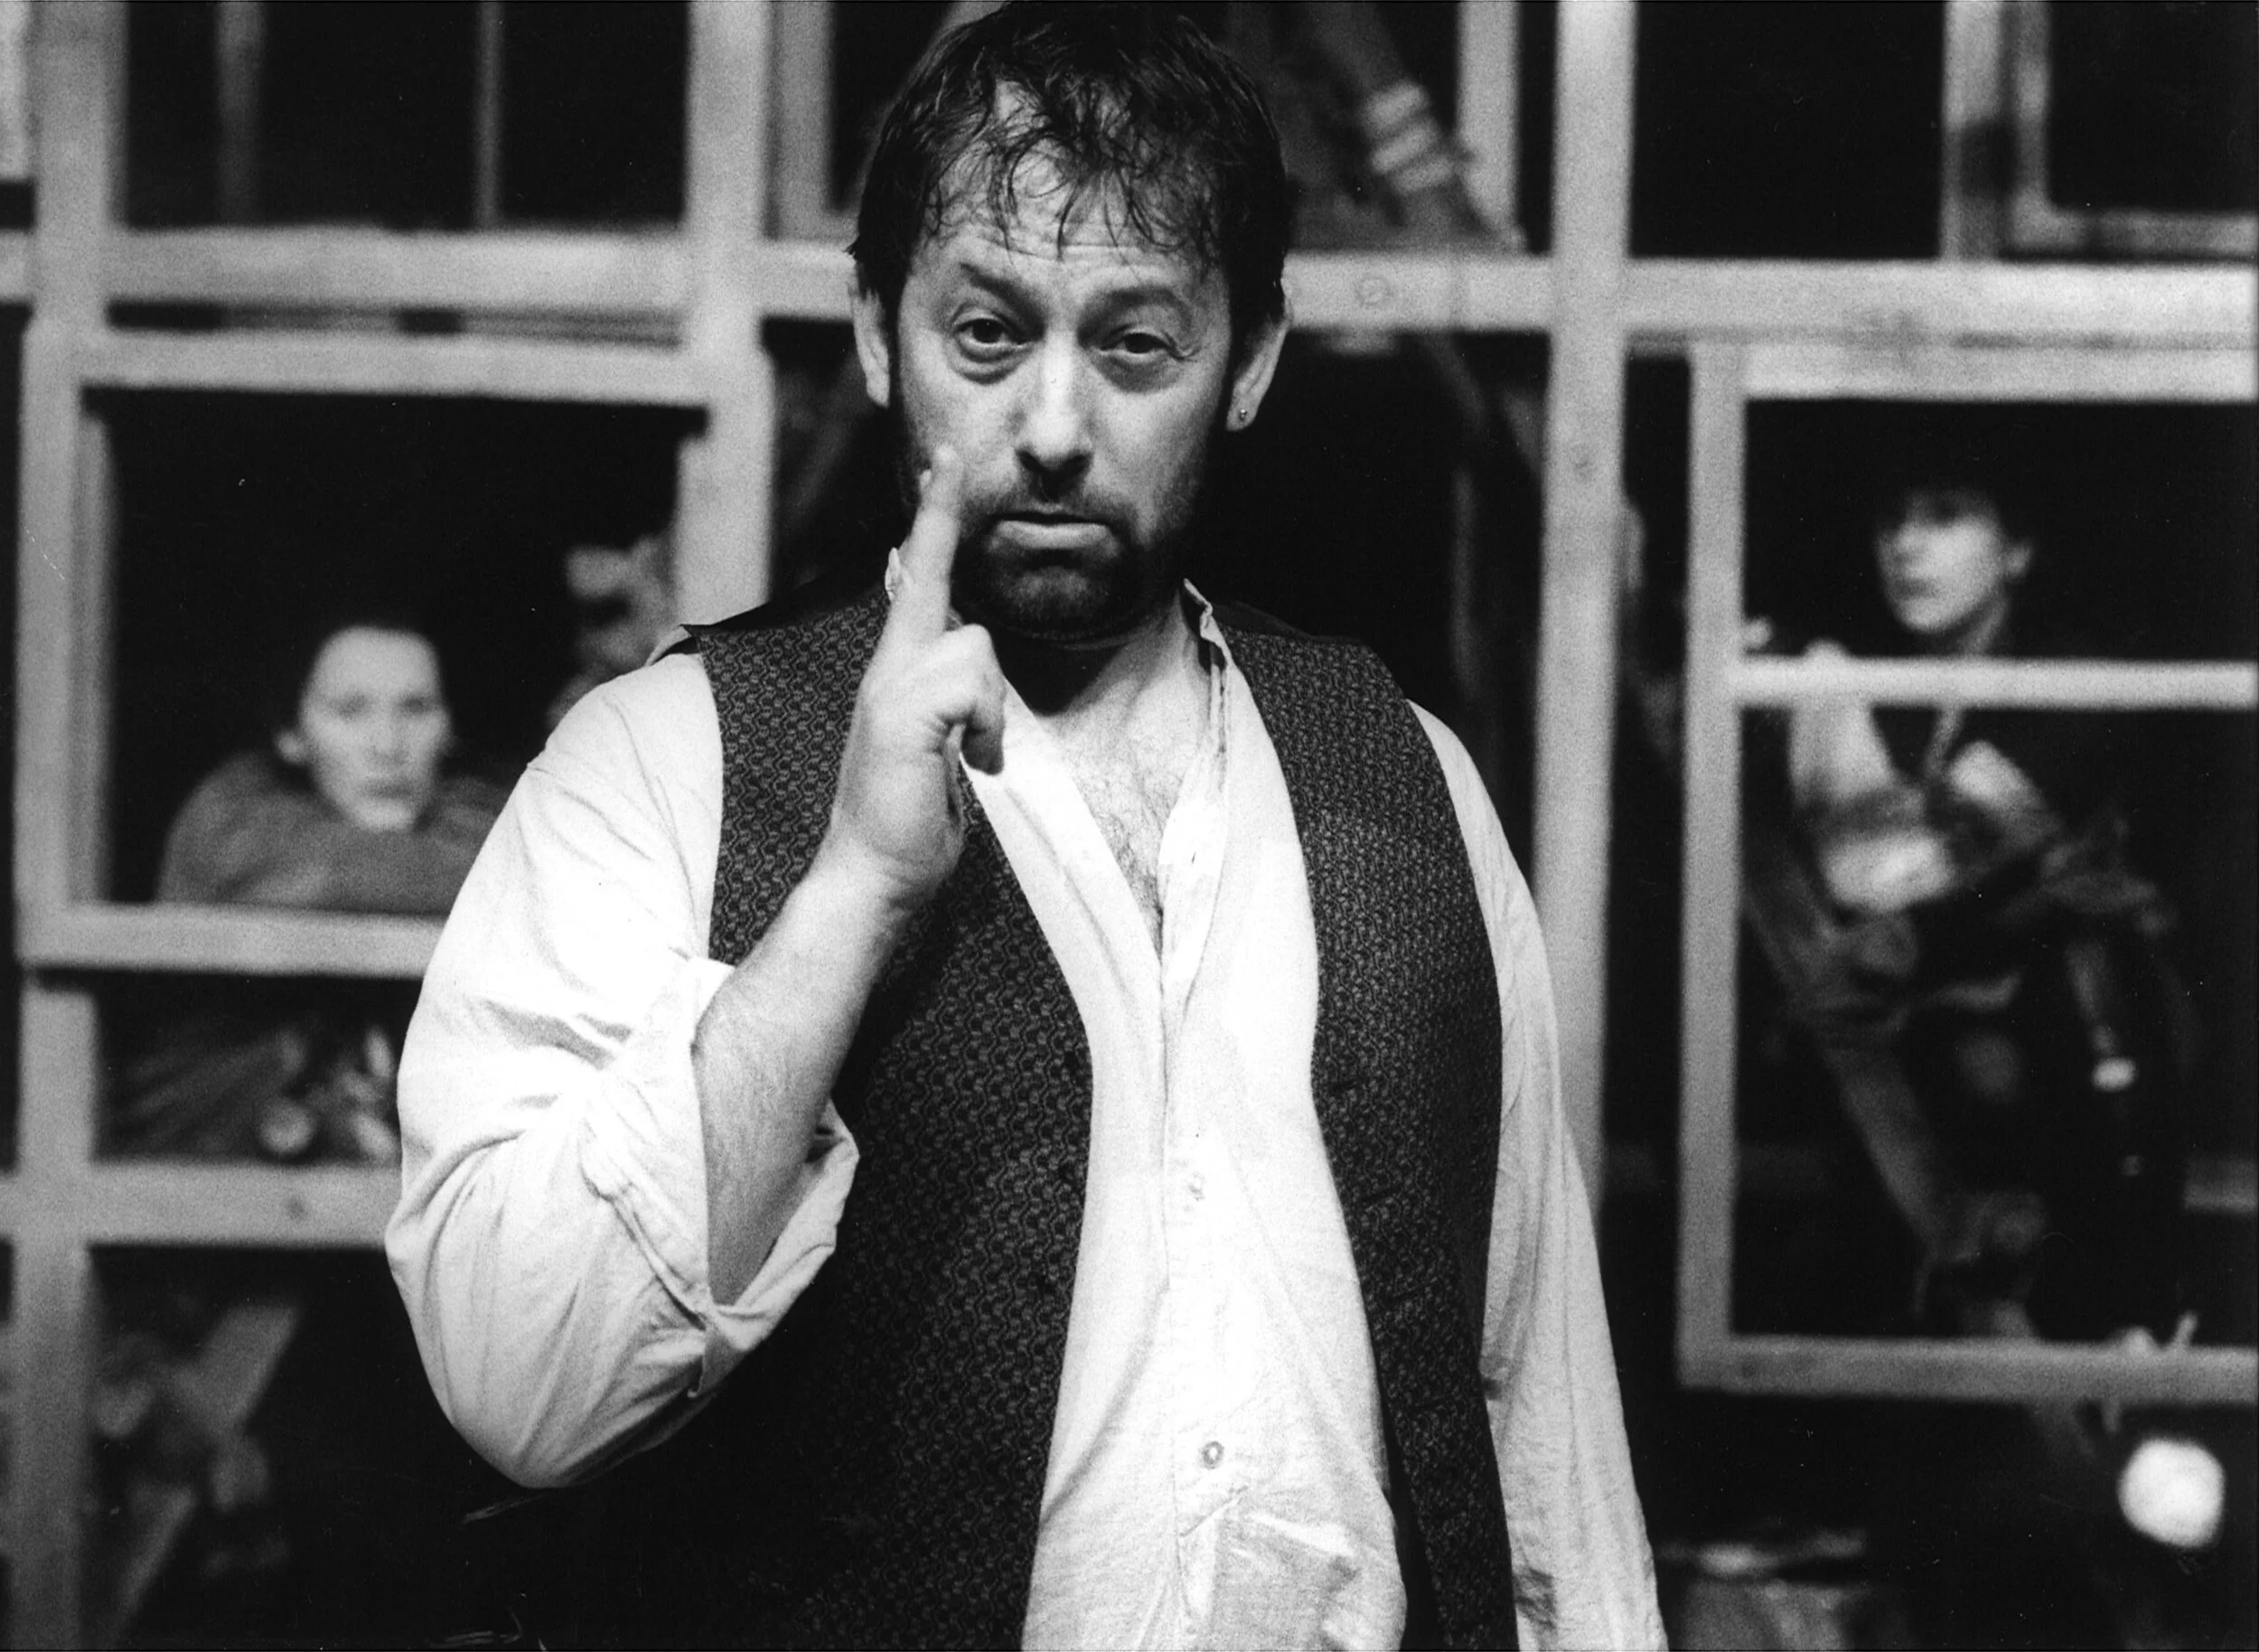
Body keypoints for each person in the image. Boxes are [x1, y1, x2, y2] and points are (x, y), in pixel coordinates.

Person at [388, 7, 1662, 1647]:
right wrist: (849, 891)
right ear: (874, 334)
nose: (1054, 425)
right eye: (988, 337)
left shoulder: (1408, 782)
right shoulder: (658, 761)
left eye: (1136, 344)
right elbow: (520, 1385)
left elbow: (1542, 1431)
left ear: (1252, 361)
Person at [1757, 475, 2191, 1343]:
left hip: (2076, 1016)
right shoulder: (1862, 668)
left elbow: (1904, 872)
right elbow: (1872, 877)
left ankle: (2136, 1324)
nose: (1905, 548)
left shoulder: (2072, 673)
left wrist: (1918, 921)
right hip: (1926, 1013)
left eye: (1946, 518)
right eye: (1891, 518)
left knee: (2069, 984)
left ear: (2017, 552)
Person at [117, 607, 503, 1161]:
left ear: (449, 727)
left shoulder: (478, 812)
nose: (388, 746)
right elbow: (363, 875)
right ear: (291, 733)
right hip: (215, 1166)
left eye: (416, 709)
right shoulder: (233, 816)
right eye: (350, 711)